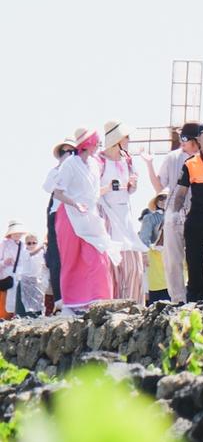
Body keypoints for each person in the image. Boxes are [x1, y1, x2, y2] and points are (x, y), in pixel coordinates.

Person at [50, 128, 116, 314]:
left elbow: (92, 194)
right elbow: (58, 191)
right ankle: (73, 304)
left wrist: (108, 189)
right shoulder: (70, 164)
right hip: (69, 216)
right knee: (72, 259)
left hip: (89, 216)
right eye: (96, 142)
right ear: (89, 143)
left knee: (98, 257)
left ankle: (99, 300)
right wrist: (76, 204)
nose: (98, 146)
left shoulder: (95, 164)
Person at [170, 126, 203, 302]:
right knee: (193, 258)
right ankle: (194, 296)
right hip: (197, 216)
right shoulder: (190, 163)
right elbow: (181, 193)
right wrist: (175, 213)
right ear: (199, 140)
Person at [97, 120, 147, 301]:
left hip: (125, 214)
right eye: (126, 137)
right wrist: (109, 188)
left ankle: (134, 304)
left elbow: (131, 189)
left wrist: (132, 184)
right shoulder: (99, 161)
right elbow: (92, 191)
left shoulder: (128, 160)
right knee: (111, 264)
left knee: (134, 266)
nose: (129, 140)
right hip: (106, 214)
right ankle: (112, 304)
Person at [153, 123, 202, 301]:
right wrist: (149, 166)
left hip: (199, 211)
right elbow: (160, 186)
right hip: (174, 211)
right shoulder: (172, 158)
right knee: (173, 258)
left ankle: (199, 296)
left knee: (202, 257)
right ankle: (178, 298)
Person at [41, 132, 81, 313]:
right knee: (57, 256)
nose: (69, 154)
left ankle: (76, 296)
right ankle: (60, 299)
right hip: (57, 213)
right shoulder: (55, 171)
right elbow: (49, 187)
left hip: (75, 215)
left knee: (75, 256)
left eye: (73, 151)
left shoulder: (81, 172)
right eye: (66, 151)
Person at [139, 193, 170, 304]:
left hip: (172, 256)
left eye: (166, 198)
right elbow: (144, 238)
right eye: (160, 198)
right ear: (156, 201)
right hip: (156, 256)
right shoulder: (150, 218)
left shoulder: (179, 215)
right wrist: (145, 254)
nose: (163, 201)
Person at [0, 222, 25, 320]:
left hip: (19, 274)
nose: (17, 234)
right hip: (6, 275)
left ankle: (15, 315)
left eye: (19, 232)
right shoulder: (4, 243)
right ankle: (4, 317)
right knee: (6, 298)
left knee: (17, 296)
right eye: (15, 232)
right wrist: (4, 262)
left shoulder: (23, 245)